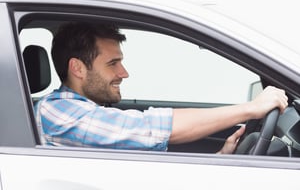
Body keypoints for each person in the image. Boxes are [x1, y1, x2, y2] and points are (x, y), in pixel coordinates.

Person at [34, 22, 288, 153]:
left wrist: (221, 158)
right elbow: (145, 129)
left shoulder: (84, 112)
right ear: (77, 68)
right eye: (113, 63)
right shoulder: (55, 112)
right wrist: (252, 108)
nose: (124, 73)